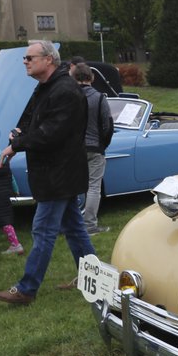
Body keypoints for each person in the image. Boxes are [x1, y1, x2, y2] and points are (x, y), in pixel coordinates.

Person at [0, 40, 95, 305]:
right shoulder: (47, 87)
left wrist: (17, 144)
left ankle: (27, 288)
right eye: (25, 58)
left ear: (48, 60)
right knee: (74, 229)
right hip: (57, 172)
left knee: (43, 231)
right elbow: (35, 120)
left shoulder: (65, 90)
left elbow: (51, 133)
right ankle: (93, 278)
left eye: (29, 58)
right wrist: (20, 134)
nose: (25, 62)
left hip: (58, 173)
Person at [73, 63, 112, 235]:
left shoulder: (68, 97)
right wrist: (103, 144)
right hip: (95, 146)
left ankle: (70, 223)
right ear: (92, 78)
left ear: (74, 78)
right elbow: (108, 125)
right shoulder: (99, 97)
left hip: (73, 149)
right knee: (93, 187)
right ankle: (90, 225)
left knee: (72, 187)